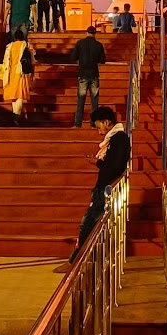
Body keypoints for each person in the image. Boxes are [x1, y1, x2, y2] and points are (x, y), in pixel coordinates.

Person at [69, 105, 131, 260]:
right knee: (90, 224)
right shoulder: (116, 139)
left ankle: (77, 260)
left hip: (105, 189)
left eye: (99, 126)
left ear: (107, 122)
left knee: (88, 224)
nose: (99, 131)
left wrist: (98, 163)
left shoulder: (119, 139)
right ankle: (81, 258)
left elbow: (115, 165)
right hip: (103, 188)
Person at [72, 23, 106, 127]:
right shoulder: (98, 45)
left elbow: (73, 57)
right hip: (94, 74)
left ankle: (78, 123)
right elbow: (102, 60)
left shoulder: (80, 43)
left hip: (83, 74)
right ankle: (93, 123)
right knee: (94, 101)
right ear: (95, 34)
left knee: (81, 99)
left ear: (86, 33)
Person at [0, 27, 33, 121]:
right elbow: (32, 58)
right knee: (20, 95)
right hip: (21, 73)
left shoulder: (10, 46)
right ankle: (16, 116)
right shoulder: (26, 45)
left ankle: (15, 114)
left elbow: (5, 60)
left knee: (14, 96)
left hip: (10, 73)